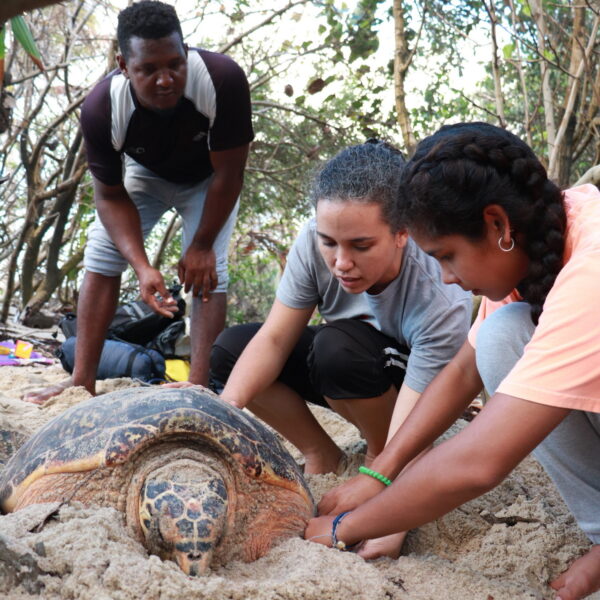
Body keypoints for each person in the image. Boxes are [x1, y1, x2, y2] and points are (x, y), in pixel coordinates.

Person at [306, 122, 600, 600]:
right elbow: (464, 369)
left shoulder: (591, 274)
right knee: (502, 336)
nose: (445, 279)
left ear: (497, 225)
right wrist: (379, 473)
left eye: (447, 256)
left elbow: (480, 462)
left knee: (505, 339)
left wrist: (344, 525)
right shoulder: (543, 233)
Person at [211, 140, 471, 554]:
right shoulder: (314, 241)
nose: (341, 262)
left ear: (402, 232)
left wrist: (390, 516)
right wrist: (218, 416)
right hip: (346, 366)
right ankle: (321, 452)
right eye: (329, 242)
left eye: (361, 246)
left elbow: (420, 427)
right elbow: (275, 339)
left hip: (404, 390)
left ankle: (376, 453)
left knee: (337, 348)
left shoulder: (439, 293)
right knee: (229, 351)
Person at [24, 0, 253, 403]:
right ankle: (81, 381)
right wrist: (143, 267)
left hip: (210, 181)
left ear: (186, 52)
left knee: (210, 269)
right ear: (124, 65)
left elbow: (230, 173)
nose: (165, 80)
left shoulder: (222, 79)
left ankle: (199, 386)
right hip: (144, 179)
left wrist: (200, 246)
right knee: (101, 256)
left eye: (174, 64)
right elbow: (110, 196)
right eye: (148, 69)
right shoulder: (102, 107)